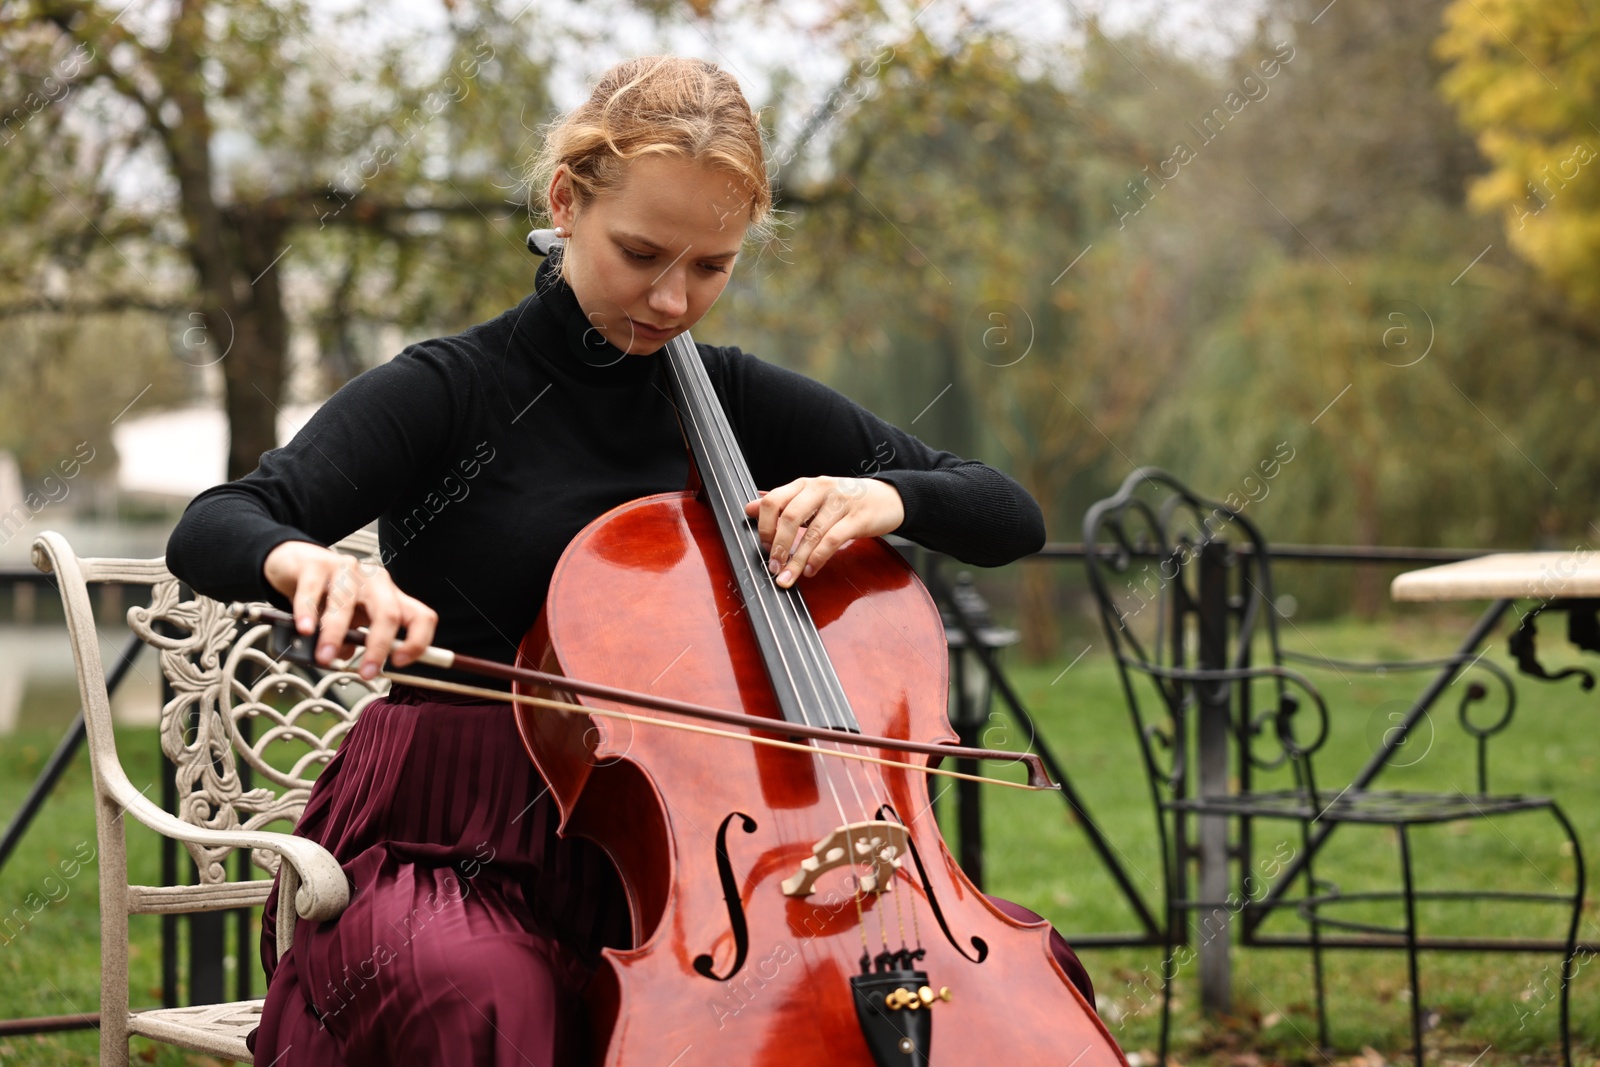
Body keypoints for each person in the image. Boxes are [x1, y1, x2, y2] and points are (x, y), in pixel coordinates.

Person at [166, 55, 1094, 1067]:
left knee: (997, 994)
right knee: (483, 995)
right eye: (641, 252)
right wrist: (308, 563)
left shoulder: (735, 398)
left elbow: (1009, 515)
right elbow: (220, 522)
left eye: (711, 266)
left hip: (700, 860)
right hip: (454, 842)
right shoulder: (451, 389)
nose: (669, 301)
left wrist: (888, 494)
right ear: (565, 201)